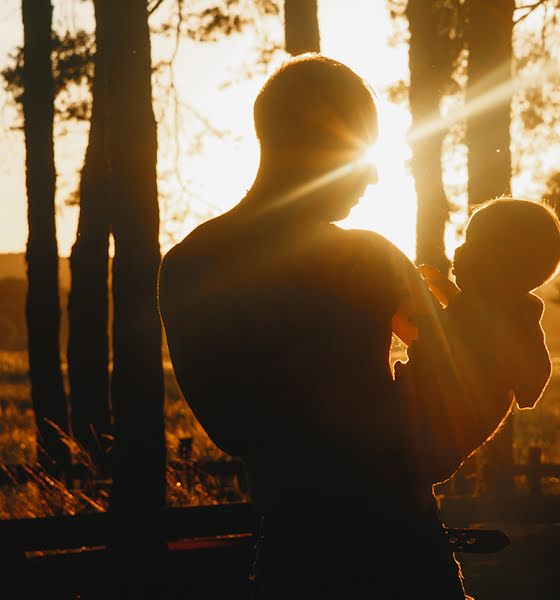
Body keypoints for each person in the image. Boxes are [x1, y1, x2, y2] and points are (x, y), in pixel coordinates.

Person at [157, 54, 533, 599]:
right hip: (401, 560)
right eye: (362, 149)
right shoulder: (368, 260)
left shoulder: (191, 265)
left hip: (298, 560)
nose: (376, 172)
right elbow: (447, 411)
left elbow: (235, 426)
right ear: (313, 145)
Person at [393, 199, 560, 481]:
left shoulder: (508, 319)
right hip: (426, 432)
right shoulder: (496, 310)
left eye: (471, 243)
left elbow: (465, 338)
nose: (458, 250)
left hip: (420, 431)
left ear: (499, 262)